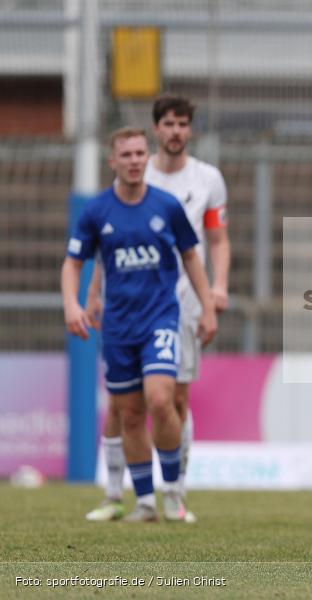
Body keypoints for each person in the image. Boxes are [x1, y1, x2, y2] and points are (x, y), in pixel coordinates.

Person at [84, 96, 230, 523]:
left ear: (190, 130)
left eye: (183, 124)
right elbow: (104, 243)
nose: (176, 131)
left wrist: (216, 289)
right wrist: (95, 292)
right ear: (155, 131)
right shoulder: (134, 172)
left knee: (172, 400)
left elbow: (217, 238)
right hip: (127, 301)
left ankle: (175, 492)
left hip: (181, 301)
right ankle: (115, 494)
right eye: (168, 123)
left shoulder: (208, 179)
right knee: (121, 403)